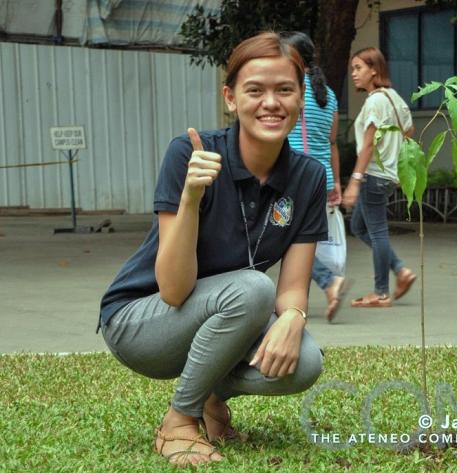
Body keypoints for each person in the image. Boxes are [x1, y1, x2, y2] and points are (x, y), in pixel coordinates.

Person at [98, 32, 326, 466]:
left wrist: (294, 317)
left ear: (300, 98)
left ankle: (210, 397)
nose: (271, 103)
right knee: (255, 289)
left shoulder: (308, 177)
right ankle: (178, 421)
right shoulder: (192, 152)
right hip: (142, 320)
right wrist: (190, 197)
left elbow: (294, 285)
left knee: (307, 361)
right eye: (254, 90)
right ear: (231, 97)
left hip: (226, 313)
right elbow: (173, 290)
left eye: (285, 90)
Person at [342, 47, 416, 308]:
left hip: (374, 176)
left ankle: (381, 293)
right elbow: (409, 132)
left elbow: (369, 145)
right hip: (389, 176)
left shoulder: (375, 101)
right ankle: (400, 270)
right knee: (359, 227)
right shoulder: (394, 98)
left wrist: (354, 180)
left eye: (358, 68)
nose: (354, 74)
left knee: (376, 231)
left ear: (375, 69)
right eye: (352, 69)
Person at [283, 31, 347, 322]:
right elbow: (332, 143)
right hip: (321, 176)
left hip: (296, 174)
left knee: (290, 239)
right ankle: (297, 303)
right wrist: (336, 183)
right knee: (301, 237)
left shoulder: (291, 89)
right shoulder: (329, 95)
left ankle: (328, 282)